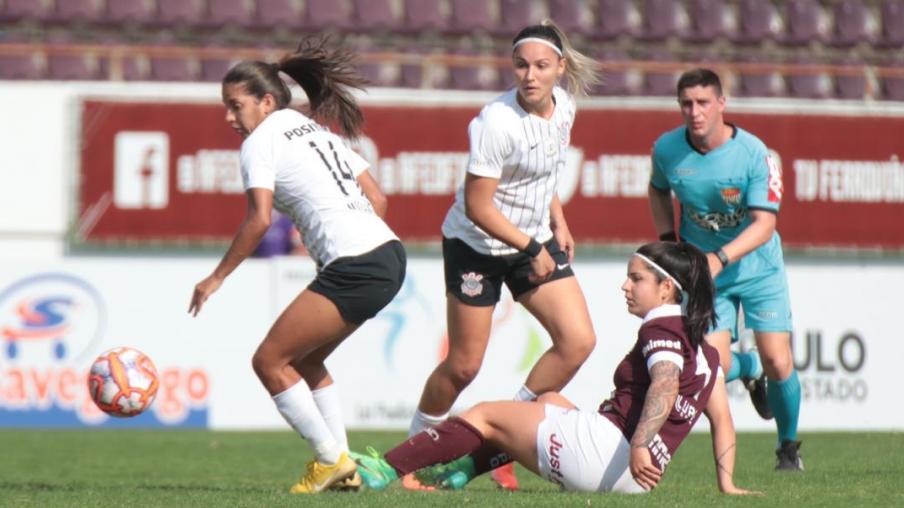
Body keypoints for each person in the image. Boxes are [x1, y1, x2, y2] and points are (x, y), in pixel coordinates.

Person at [354, 242, 757, 495]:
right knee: (547, 400)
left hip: (609, 455)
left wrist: (638, 445)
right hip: (633, 482)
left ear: (666, 288)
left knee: (484, 415)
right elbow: (722, 420)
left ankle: (385, 467)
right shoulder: (707, 353)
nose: (625, 286)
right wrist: (727, 484)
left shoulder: (661, 330)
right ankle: (466, 470)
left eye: (636, 279)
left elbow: (665, 385)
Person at [188, 37, 407, 494]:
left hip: (358, 264)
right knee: (307, 361)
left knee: (269, 362)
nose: (229, 117)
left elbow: (259, 220)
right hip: (388, 254)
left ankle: (329, 461)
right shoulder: (314, 129)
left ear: (266, 102)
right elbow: (378, 197)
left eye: (235, 106)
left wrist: (216, 277)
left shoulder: (259, 142)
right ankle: (343, 467)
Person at [406, 20, 600, 490]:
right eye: (521, 65)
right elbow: (478, 206)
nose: (530, 75)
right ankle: (412, 458)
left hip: (533, 240)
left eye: (541, 66)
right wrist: (533, 248)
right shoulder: (495, 122)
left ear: (560, 68)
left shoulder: (566, 108)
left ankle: (504, 438)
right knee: (463, 366)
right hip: (477, 246)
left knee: (578, 341)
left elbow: (546, 175)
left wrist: (558, 221)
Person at [648, 68, 803, 471]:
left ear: (721, 103)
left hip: (757, 268)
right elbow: (657, 189)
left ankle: (788, 447)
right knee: (709, 365)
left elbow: (764, 225)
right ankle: (749, 368)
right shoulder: (667, 149)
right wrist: (667, 239)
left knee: (779, 361)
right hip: (705, 274)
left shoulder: (754, 153)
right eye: (686, 103)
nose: (694, 112)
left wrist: (719, 257)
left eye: (703, 102)